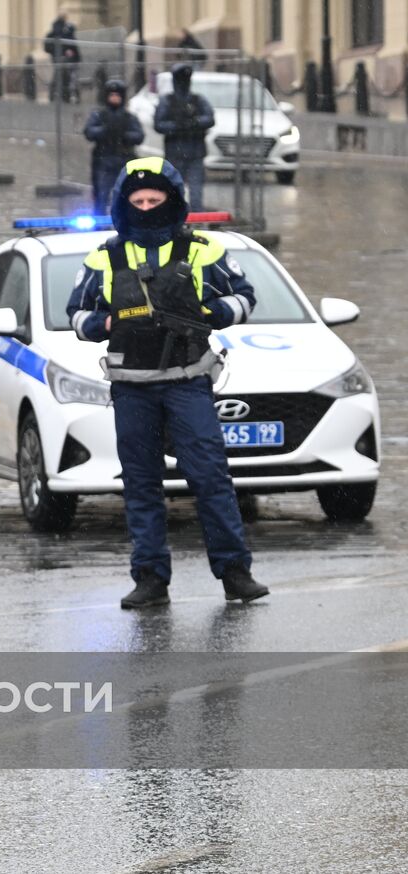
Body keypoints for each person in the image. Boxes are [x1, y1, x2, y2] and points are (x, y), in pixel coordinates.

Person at [66, 157, 269, 609]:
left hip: (188, 382)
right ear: (124, 204)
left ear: (172, 200)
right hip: (131, 387)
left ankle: (236, 573)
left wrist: (216, 313)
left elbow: (246, 297)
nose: (145, 207)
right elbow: (75, 315)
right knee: (141, 484)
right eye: (137, 201)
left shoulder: (203, 250)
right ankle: (151, 579)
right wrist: (104, 323)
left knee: (211, 478)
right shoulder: (105, 256)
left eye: (154, 200)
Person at [154, 64, 215, 211]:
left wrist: (193, 123)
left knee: (196, 195)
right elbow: (159, 124)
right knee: (175, 192)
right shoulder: (167, 101)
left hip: (195, 152)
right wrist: (177, 126)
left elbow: (210, 119)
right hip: (175, 152)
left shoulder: (197, 100)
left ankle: (196, 222)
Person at [84, 79, 145, 215]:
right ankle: (100, 223)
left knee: (128, 195)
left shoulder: (129, 117)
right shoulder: (99, 115)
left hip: (124, 160)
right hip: (104, 160)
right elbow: (89, 132)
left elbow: (139, 136)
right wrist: (106, 130)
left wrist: (124, 134)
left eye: (117, 96)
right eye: (112, 95)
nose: (114, 98)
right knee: (102, 196)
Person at [44, 13, 81, 103]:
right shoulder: (65, 31)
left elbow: (47, 46)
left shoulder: (55, 32)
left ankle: (55, 96)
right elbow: (72, 45)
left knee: (60, 77)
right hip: (65, 58)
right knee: (68, 78)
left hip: (59, 58)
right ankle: (66, 96)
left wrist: (56, 53)